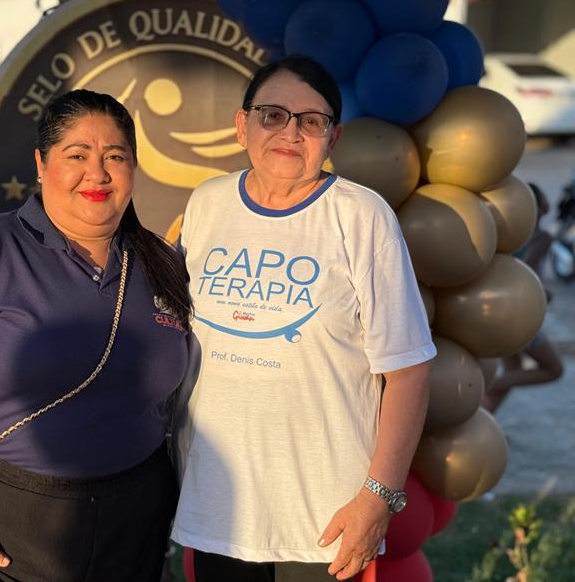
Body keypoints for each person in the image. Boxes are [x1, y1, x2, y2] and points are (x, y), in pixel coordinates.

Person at [0, 89, 193, 582]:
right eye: (76, 156)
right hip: (14, 525)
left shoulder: (162, 262)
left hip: (138, 522)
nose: (97, 174)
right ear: (41, 163)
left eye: (115, 157)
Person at [170, 57, 436, 582]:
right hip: (219, 506)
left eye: (311, 122)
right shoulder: (207, 204)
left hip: (324, 522)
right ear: (242, 124)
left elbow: (409, 371)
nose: (290, 133)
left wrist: (377, 497)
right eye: (272, 115)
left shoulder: (362, 217)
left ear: (333, 138)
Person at [484, 182, 564, 412]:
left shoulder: (505, 235)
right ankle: (483, 390)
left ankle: (486, 419)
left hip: (497, 311)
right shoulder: (541, 237)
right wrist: (545, 294)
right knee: (554, 370)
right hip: (520, 316)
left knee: (514, 370)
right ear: (539, 206)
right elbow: (527, 275)